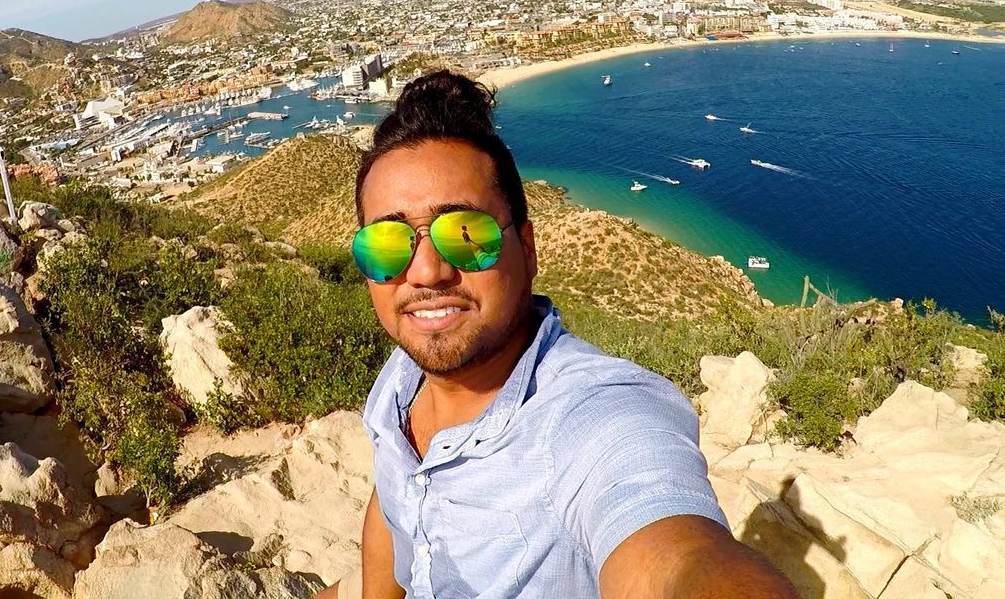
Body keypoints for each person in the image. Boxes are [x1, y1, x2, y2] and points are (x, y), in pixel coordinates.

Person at [317, 71, 797, 599]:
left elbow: (676, 556)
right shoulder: (402, 378)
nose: (426, 272)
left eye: (465, 235)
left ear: (528, 248)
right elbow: (398, 498)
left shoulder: (593, 416)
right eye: (387, 242)